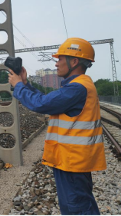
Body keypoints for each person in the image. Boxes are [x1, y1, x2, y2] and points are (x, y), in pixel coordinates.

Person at [8, 37, 106, 216]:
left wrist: (19, 87)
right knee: (78, 205)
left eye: (60, 59)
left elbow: (41, 104)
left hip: (72, 160)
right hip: (69, 159)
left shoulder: (77, 88)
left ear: (74, 61)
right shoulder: (77, 86)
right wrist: (26, 84)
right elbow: (47, 101)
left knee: (77, 209)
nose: (56, 64)